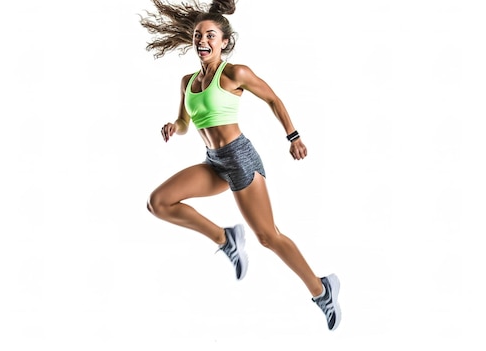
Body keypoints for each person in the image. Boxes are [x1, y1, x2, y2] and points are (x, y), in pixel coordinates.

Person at [140, 0, 341, 331]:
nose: (202, 41)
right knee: (158, 203)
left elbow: (273, 99)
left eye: (210, 35)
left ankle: (322, 290)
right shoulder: (187, 81)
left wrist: (293, 137)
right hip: (214, 162)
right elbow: (184, 121)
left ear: (224, 42)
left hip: (240, 158)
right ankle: (225, 239)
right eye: (198, 35)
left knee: (267, 236)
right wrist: (173, 127)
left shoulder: (235, 73)